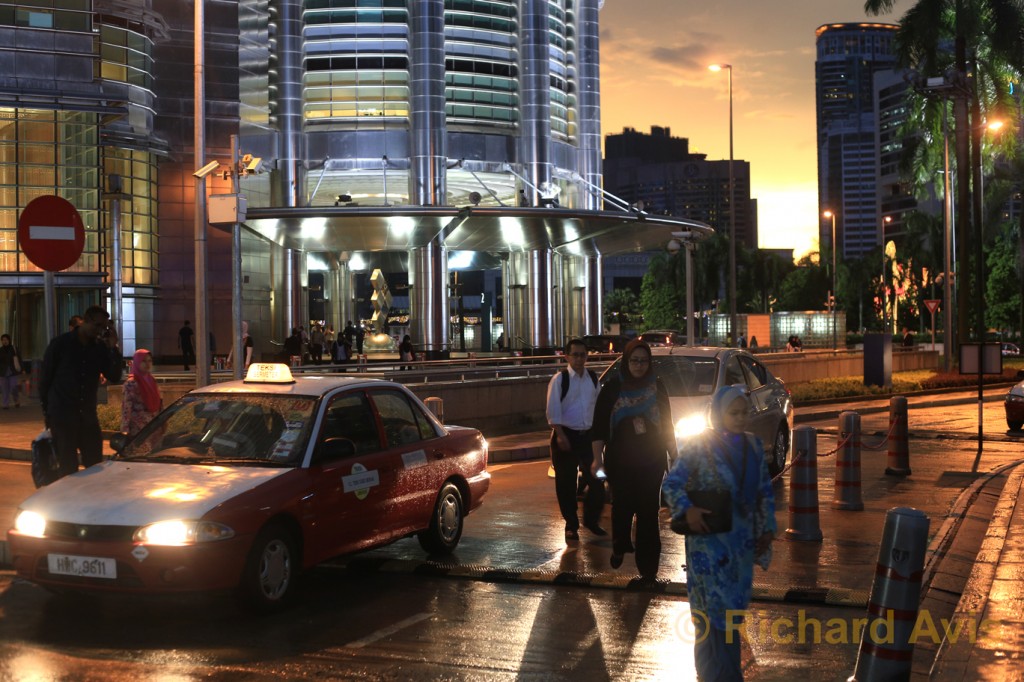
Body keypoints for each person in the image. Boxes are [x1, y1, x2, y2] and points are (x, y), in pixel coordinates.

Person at [662, 385, 777, 681]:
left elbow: (764, 490)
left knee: (730, 616)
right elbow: (672, 484)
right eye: (733, 413)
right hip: (707, 547)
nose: (740, 418)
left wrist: (767, 530)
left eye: (744, 412)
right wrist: (688, 509)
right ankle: (721, 675)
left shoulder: (752, 446)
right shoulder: (699, 445)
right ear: (718, 414)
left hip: (740, 547)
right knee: (712, 618)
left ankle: (718, 673)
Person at [589, 339, 673, 579]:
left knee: (648, 513)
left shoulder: (657, 387)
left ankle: (648, 571)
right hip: (620, 463)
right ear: (626, 361)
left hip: (652, 461)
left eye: (644, 360)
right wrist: (597, 459)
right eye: (634, 360)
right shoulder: (613, 388)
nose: (639, 365)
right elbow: (599, 428)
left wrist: (676, 456)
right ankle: (619, 545)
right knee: (623, 508)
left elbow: (667, 426)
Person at [39, 305, 123, 480]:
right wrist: (48, 414)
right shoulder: (61, 344)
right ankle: (68, 505)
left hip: (88, 417)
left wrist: (113, 348)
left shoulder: (99, 348)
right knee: (67, 469)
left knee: (95, 467)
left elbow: (114, 376)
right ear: (86, 320)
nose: (100, 331)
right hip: (63, 416)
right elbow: (45, 379)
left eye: (104, 328)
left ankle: (91, 504)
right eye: (98, 326)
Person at [546, 338, 605, 543]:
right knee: (566, 484)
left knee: (597, 480)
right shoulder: (560, 380)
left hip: (587, 437)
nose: (580, 359)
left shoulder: (592, 377)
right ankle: (571, 525)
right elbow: (552, 412)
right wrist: (561, 436)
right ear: (567, 356)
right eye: (575, 355)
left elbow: (599, 407)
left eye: (583, 354)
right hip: (565, 436)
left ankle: (592, 520)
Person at [120, 349, 162, 436]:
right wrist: (125, 429)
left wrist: (163, 421)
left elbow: (159, 402)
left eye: (149, 361)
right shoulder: (131, 383)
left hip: (154, 427)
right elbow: (126, 407)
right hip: (139, 429)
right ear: (137, 362)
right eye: (143, 361)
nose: (147, 364)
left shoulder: (152, 380)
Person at [0, 333, 23, 409]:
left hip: (12, 371)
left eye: (6, 340)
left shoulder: (14, 349)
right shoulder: (0, 350)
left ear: (9, 340)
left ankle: (16, 400)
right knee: (4, 389)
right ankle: (5, 404)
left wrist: (22, 369)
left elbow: (19, 359)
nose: (4, 341)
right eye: (3, 340)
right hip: (2, 372)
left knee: (13, 387)